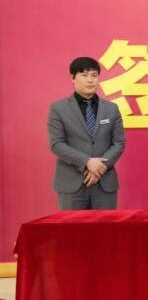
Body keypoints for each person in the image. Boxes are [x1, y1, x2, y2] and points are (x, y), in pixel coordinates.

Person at [47, 57, 125, 210]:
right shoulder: (58, 108)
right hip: (71, 184)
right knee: (72, 226)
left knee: (106, 226)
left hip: (104, 183)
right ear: (73, 78)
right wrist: (87, 162)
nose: (90, 80)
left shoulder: (111, 108)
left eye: (94, 75)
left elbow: (119, 143)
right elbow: (57, 144)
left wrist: (100, 167)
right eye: (84, 75)